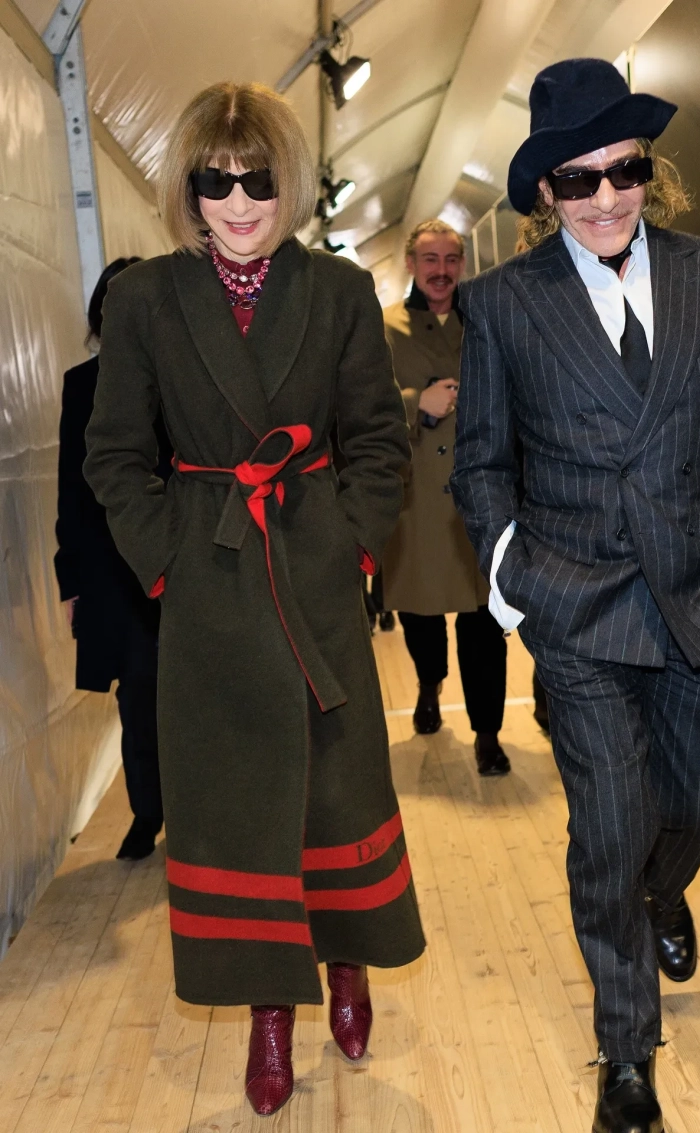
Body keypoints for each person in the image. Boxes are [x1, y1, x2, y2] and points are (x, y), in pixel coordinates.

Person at [83, 81, 425, 1117]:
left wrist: (351, 543)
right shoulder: (147, 299)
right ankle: (268, 1011)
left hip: (313, 572)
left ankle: (349, 960)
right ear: (188, 188)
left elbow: (377, 437)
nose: (238, 203)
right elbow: (114, 454)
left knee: (338, 792)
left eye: (259, 180)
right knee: (236, 808)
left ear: (289, 182)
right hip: (212, 588)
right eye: (215, 181)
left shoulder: (339, 291)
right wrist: (168, 563)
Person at [451, 59, 700, 1133]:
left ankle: (663, 884)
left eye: (624, 171)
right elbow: (481, 461)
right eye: (577, 179)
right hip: (579, 605)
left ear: (649, 171)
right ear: (544, 192)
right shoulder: (503, 305)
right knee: (607, 827)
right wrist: (514, 577)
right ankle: (628, 1052)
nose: (605, 197)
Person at [382, 220, 509, 776]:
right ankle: (428, 684)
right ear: (411, 264)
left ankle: (488, 734)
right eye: (429, 259)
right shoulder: (382, 327)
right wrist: (417, 404)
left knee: (485, 624)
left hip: (478, 496)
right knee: (421, 615)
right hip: (416, 502)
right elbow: (358, 407)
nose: (441, 270)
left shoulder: (484, 320)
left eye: (451, 259)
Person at [54, 257, 167, 862]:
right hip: (114, 569)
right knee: (137, 692)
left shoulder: (184, 375)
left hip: (185, 557)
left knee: (192, 690)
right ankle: (147, 812)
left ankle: (198, 814)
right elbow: (71, 488)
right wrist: (71, 580)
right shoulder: (83, 384)